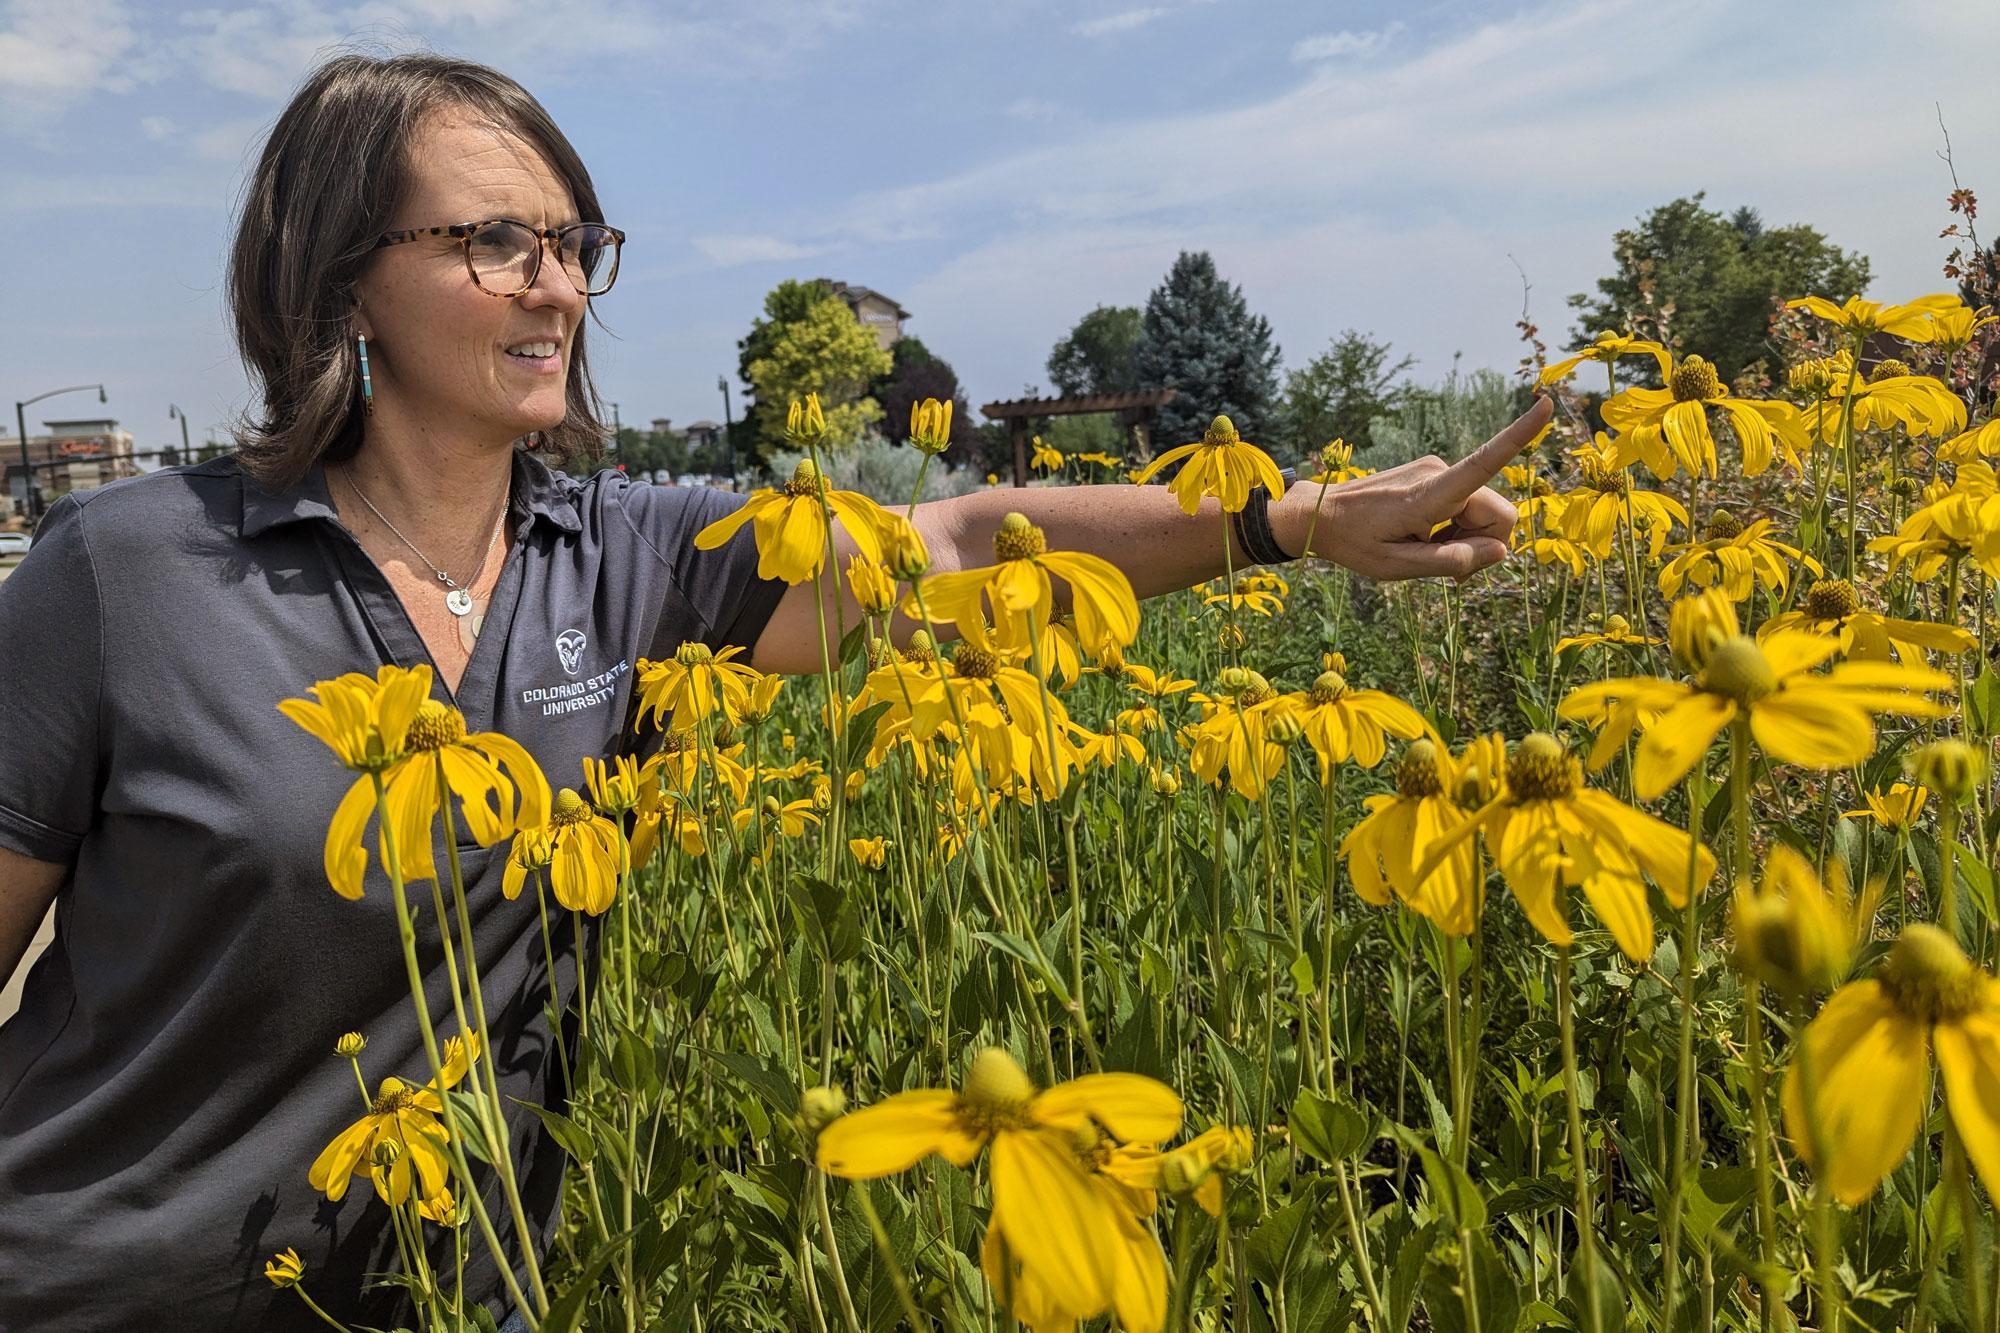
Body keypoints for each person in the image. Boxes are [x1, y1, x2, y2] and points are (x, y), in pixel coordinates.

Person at [0, 52, 1536, 1333]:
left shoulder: (622, 559)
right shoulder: (125, 571)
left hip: (454, 1294)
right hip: (90, 1287)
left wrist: (1297, 520)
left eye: (575, 244)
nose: (558, 288)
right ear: (343, 281)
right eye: (497, 244)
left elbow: (938, 541)